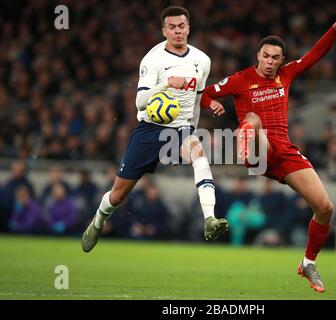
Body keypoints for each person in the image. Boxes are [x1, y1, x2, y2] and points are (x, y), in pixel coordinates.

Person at [201, 2, 336, 292]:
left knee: (325, 207)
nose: (270, 62)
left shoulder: (286, 74)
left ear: (282, 59)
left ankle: (308, 263)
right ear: (258, 55)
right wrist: (212, 103)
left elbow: (315, 54)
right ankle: (245, 141)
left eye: (276, 58)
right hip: (257, 150)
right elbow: (203, 94)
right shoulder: (240, 80)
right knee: (254, 120)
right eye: (266, 56)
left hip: (283, 152)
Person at [82, 6, 229, 252]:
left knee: (199, 157)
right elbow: (140, 102)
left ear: (188, 28)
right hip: (150, 128)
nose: (177, 31)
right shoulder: (153, 60)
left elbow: (197, 97)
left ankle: (209, 219)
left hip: (181, 128)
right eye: (171, 27)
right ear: (164, 30)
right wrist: (166, 83)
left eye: (181, 26)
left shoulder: (202, 60)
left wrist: (207, 105)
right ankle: (97, 222)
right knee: (118, 195)